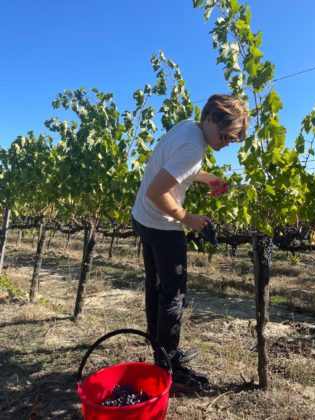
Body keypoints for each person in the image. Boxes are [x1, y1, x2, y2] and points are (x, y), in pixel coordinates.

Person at [132, 94, 249, 392]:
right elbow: (157, 192)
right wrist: (186, 217)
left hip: (143, 219)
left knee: (156, 287)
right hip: (161, 224)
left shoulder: (189, 127)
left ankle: (161, 354)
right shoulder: (194, 147)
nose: (225, 145)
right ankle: (169, 365)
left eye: (232, 141)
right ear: (209, 118)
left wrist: (209, 179)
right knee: (173, 294)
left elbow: (181, 169)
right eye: (225, 136)